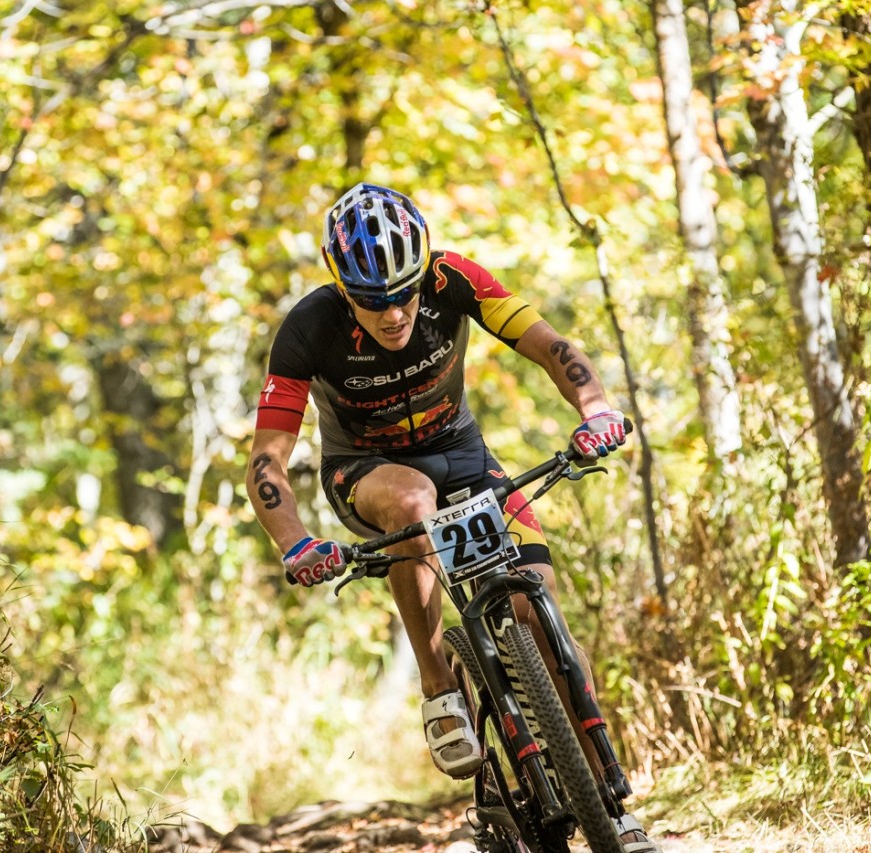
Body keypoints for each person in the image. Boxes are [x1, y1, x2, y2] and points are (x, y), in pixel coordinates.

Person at [247, 183, 656, 851]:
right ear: (340, 283)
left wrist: (597, 410)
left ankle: (612, 803)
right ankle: (439, 684)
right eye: (373, 300)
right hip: (368, 470)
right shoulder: (309, 329)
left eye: (405, 292)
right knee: (412, 503)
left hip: (464, 456)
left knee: (539, 611)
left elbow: (550, 344)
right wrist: (295, 541)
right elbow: (266, 460)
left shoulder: (453, 279)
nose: (394, 311)